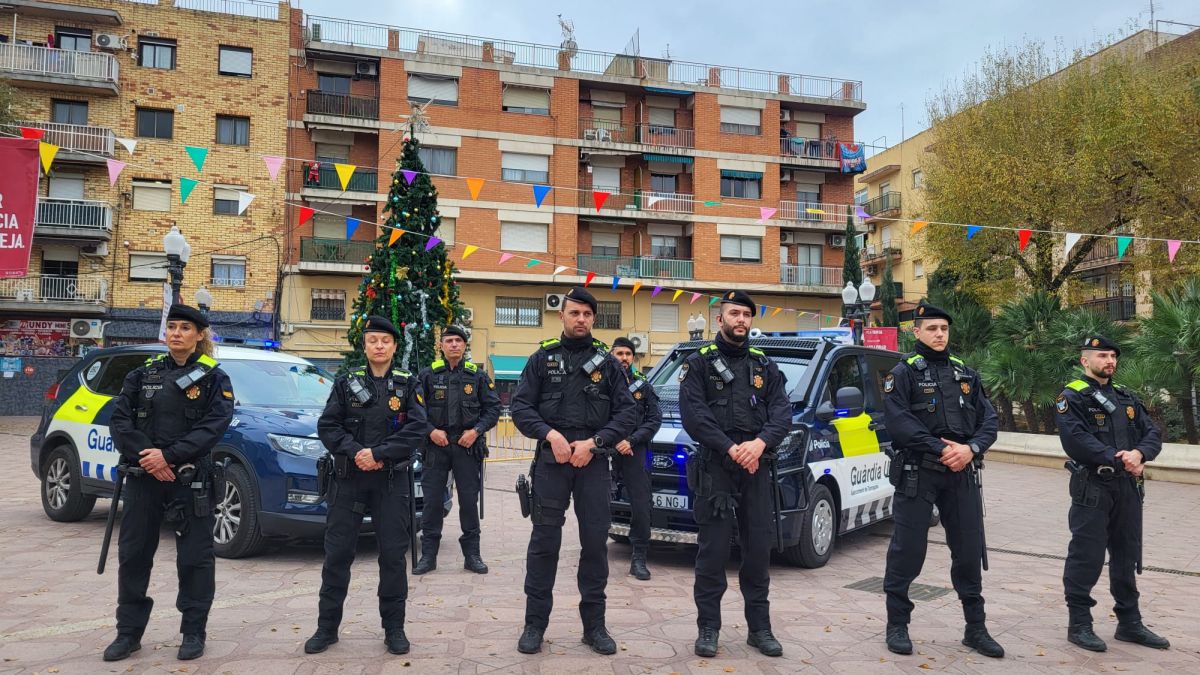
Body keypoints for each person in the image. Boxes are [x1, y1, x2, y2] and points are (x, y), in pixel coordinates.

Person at [510, 287, 637, 655]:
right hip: (552, 463)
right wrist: (551, 435)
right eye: (574, 313)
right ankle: (534, 625)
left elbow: (627, 413)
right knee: (544, 545)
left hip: (593, 464)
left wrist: (595, 443)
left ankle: (594, 627)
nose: (580, 319)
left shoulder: (609, 364)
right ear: (561, 316)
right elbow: (520, 408)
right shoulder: (541, 359)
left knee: (595, 545)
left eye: (586, 314)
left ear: (594, 319)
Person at [105, 304, 235, 662]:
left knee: (195, 559)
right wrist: (150, 456)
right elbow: (120, 421)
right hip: (144, 477)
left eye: (184, 328)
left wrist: (170, 457)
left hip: (190, 481)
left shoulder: (213, 378)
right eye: (172, 327)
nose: (176, 333)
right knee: (133, 556)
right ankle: (128, 633)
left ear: (199, 335)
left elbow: (213, 427)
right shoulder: (142, 374)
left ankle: (193, 631)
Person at [881, 301, 1003, 658]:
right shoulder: (902, 374)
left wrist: (971, 449)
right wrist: (941, 448)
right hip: (919, 472)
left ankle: (976, 629)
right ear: (915, 331)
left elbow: (990, 420)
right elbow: (899, 422)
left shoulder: (965, 373)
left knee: (968, 551)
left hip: (962, 472)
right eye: (931, 328)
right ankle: (897, 625)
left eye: (944, 329)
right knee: (908, 551)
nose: (939, 334)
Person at [305, 315, 430, 656]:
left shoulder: (408, 384)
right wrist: (356, 452)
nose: (379, 346)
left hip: (391, 481)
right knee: (337, 557)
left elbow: (417, 430)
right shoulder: (347, 382)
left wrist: (379, 453)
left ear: (393, 346)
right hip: (349, 480)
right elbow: (328, 426)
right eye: (372, 340)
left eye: (385, 341)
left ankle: (394, 629)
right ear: (364, 345)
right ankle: (326, 628)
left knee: (392, 557)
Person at [678, 290, 790, 658]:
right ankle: (708, 628)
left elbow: (782, 414)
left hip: (757, 467)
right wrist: (731, 448)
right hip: (717, 469)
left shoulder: (765, 366)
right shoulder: (698, 364)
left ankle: (760, 629)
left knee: (758, 552)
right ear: (719, 319)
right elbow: (695, 415)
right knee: (712, 554)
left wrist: (759, 445)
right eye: (733, 313)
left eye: (746, 314)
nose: (740, 320)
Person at [1056, 336, 1169, 652]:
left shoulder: (1125, 397)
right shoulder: (1073, 397)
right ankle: (1079, 624)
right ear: (1085, 361)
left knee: (1126, 554)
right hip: (1093, 486)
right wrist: (1121, 457)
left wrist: (1141, 454)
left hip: (1128, 487)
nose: (1109, 361)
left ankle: (1129, 623)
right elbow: (1075, 440)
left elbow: (1152, 433)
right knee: (1086, 555)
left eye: (1113, 356)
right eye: (1102, 355)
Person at [413, 325, 501, 576]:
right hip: (436, 447)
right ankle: (428, 556)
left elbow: (493, 409)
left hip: (467, 447)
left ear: (464, 346)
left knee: (468, 502)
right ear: (441, 346)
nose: (453, 344)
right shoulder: (428, 375)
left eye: (458, 341)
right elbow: (415, 411)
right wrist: (430, 431)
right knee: (431, 503)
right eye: (449, 340)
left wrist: (476, 431)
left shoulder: (478, 376)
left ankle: (472, 555)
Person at [610, 336, 662, 581]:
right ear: (611, 355)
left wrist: (631, 441)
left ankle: (639, 558)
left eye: (628, 354)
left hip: (635, 449)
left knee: (641, 506)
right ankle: (594, 552)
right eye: (619, 353)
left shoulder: (643, 385)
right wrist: (613, 441)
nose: (624, 358)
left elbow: (654, 419)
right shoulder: (600, 383)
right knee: (596, 503)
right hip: (605, 449)